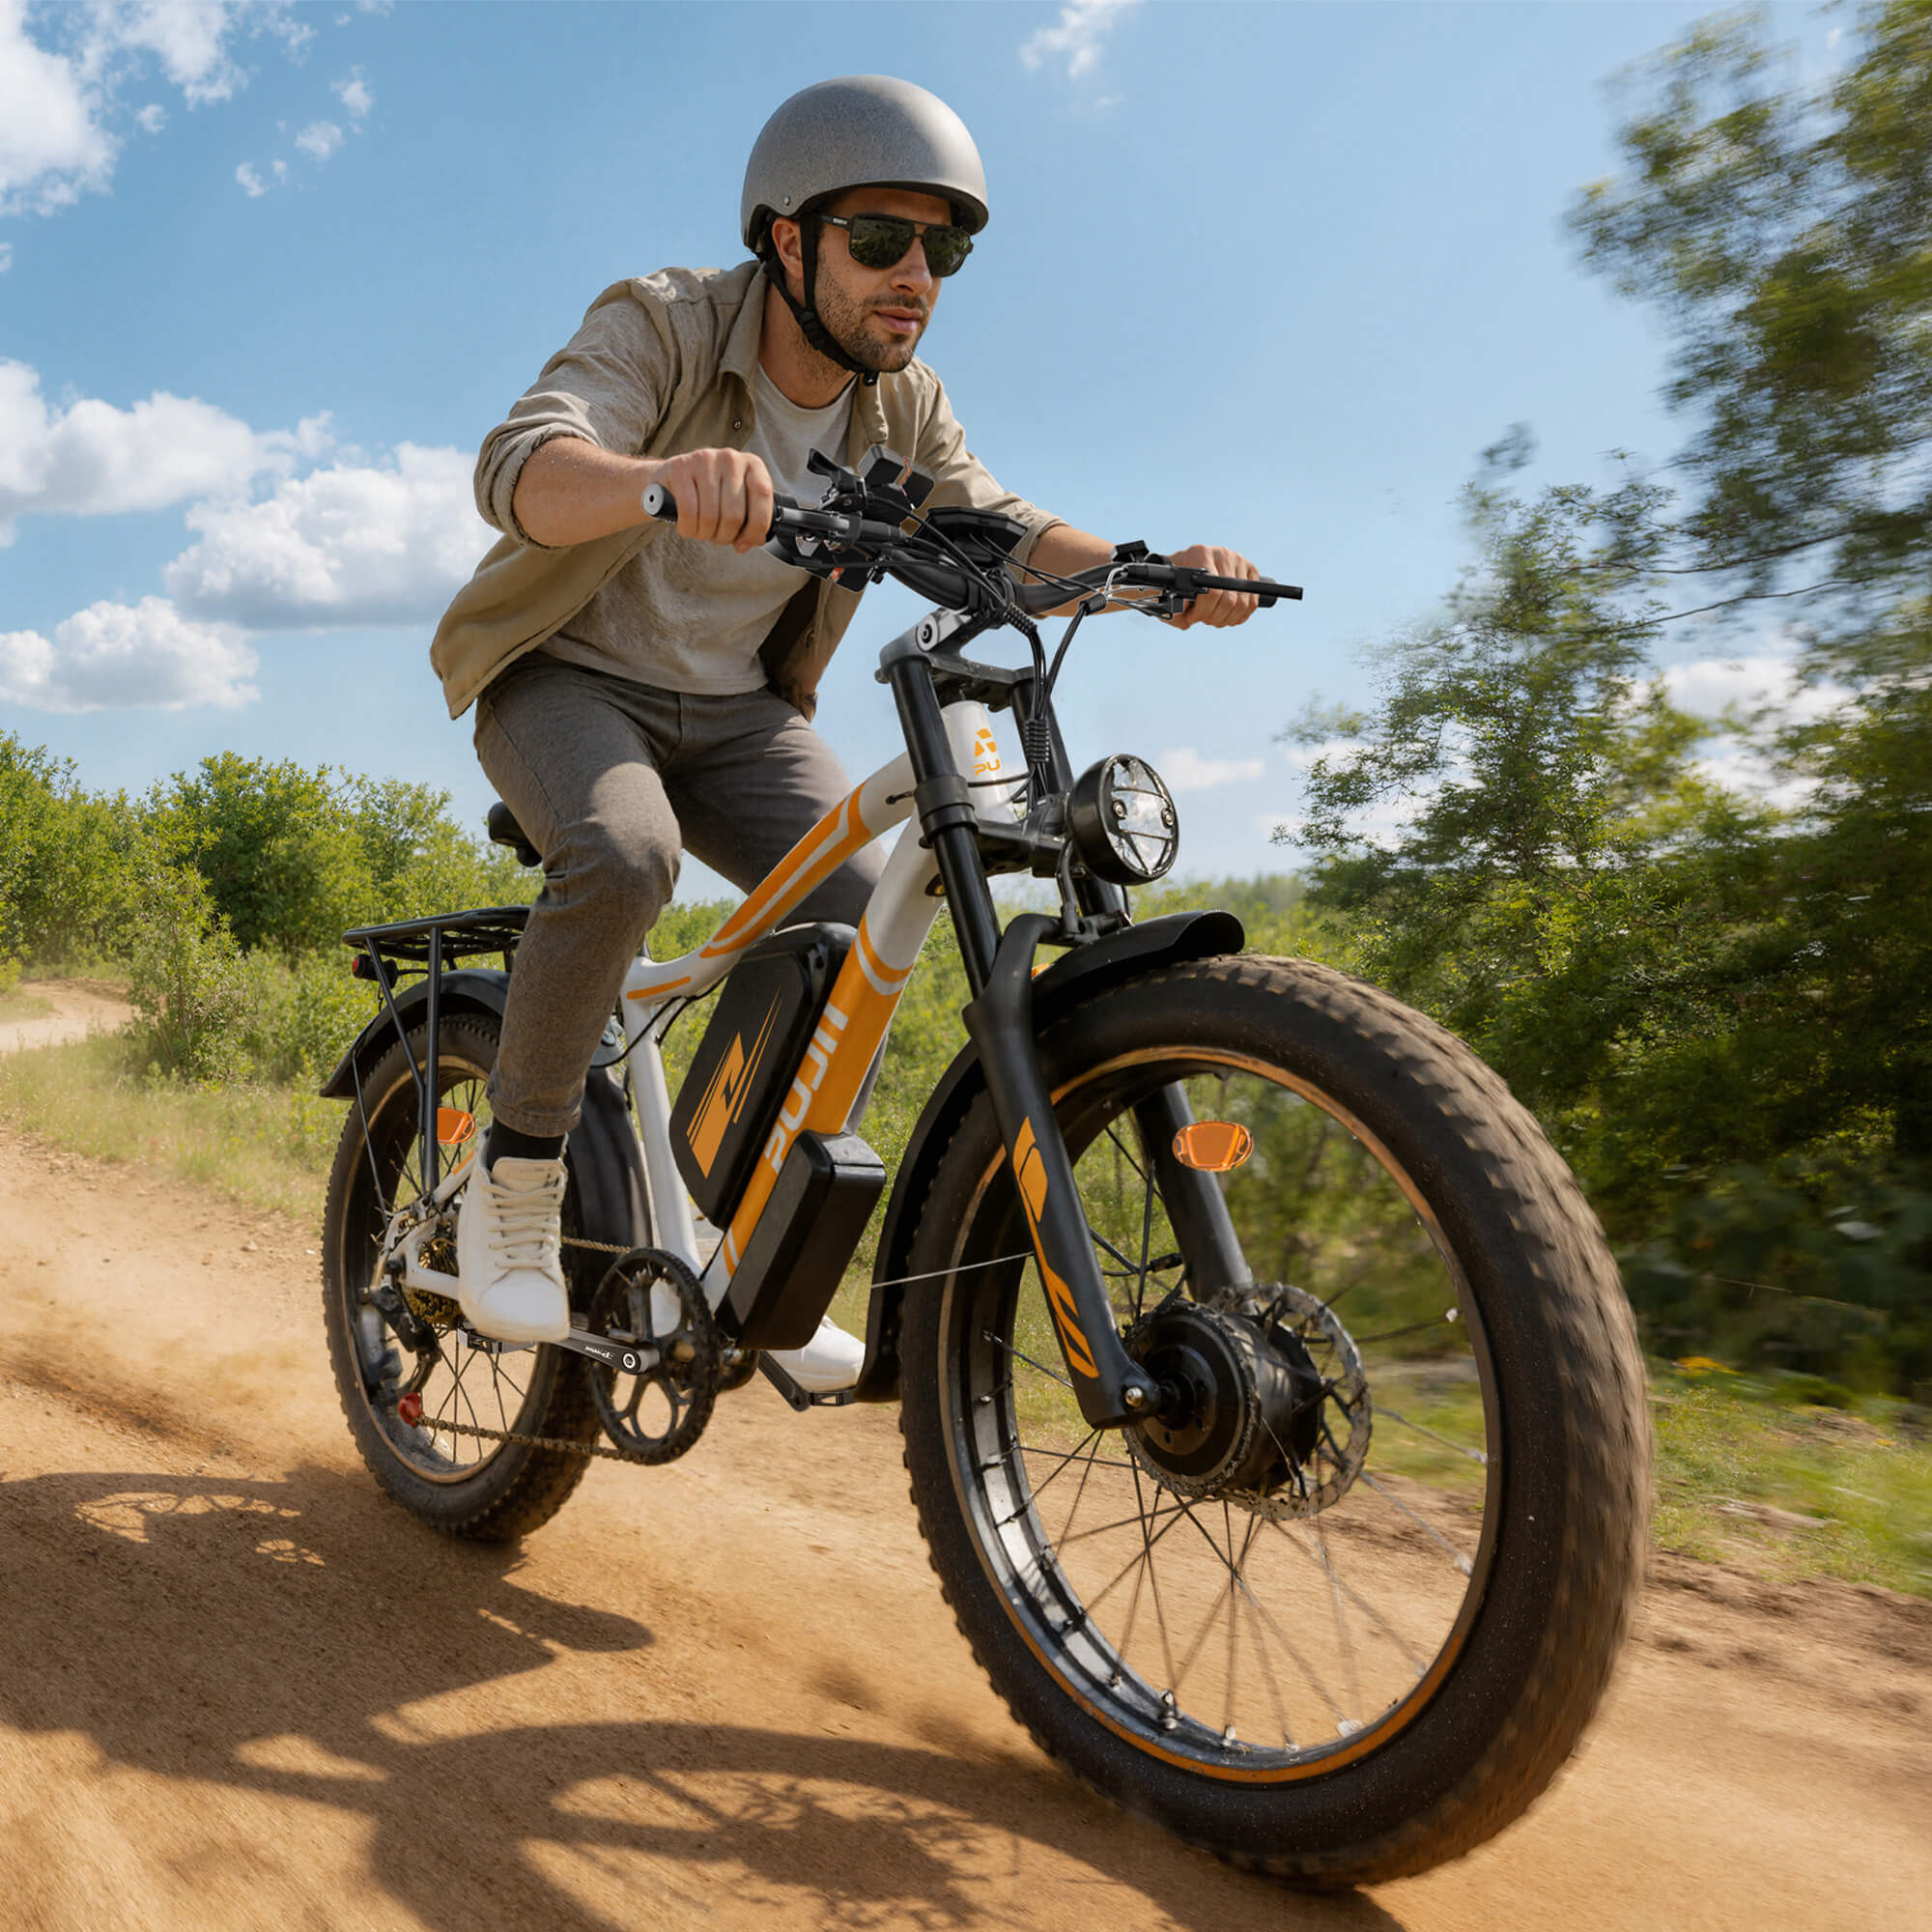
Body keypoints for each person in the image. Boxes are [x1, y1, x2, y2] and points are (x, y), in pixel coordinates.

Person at [430, 74, 1263, 1392]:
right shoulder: (663, 323)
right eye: (882, 238)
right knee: (626, 854)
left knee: (869, 907)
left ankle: (733, 1232)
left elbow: (997, 523)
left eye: (947, 248)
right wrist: (656, 482)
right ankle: (518, 1178)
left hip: (742, 718)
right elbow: (522, 462)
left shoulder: (902, 404)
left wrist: (1145, 577)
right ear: (788, 239)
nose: (916, 274)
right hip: (567, 679)